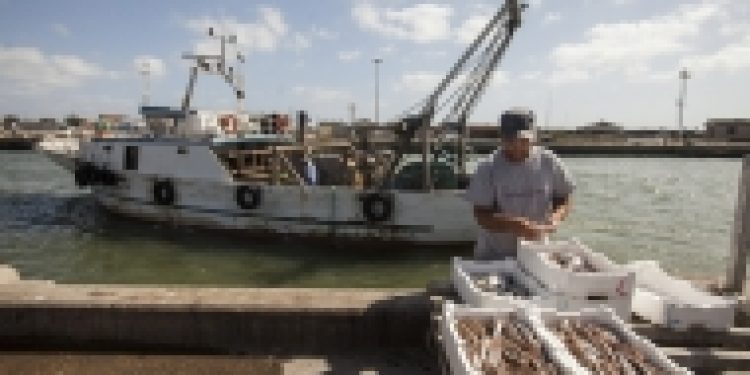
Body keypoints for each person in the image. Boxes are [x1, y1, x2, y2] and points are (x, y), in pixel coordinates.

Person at [465, 108, 574, 260]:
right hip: (494, 255)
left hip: (537, 252)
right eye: (510, 141)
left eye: (523, 141)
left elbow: (563, 197)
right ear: (501, 138)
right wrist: (514, 225)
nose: (517, 147)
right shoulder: (487, 167)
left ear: (533, 137)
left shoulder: (550, 161)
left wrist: (556, 217)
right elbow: (481, 215)